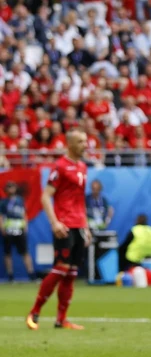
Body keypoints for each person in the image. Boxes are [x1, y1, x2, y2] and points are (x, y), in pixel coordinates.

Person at [26, 128, 91, 330]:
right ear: (70, 144)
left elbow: (80, 200)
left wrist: (86, 227)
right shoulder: (60, 166)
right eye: (80, 141)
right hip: (64, 225)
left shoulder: (82, 166)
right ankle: (34, 312)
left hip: (79, 225)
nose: (85, 145)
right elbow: (46, 196)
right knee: (60, 269)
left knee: (71, 273)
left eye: (85, 141)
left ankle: (61, 319)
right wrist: (55, 222)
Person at [1, 181, 35, 282]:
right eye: (9, 187)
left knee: (25, 252)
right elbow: (1, 216)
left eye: (12, 187)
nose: (11, 189)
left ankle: (31, 274)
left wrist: (25, 226)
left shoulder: (20, 200)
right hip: (8, 230)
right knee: (7, 253)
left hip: (19, 229)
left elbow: (24, 214)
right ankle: (10, 276)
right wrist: (2, 228)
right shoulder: (3, 202)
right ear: (6, 189)